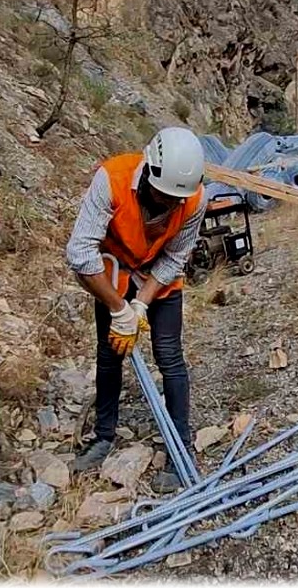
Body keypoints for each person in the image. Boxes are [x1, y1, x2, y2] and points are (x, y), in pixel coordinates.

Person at [65, 126, 207, 492]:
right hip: (112, 274)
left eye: (174, 201)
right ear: (148, 172)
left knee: (170, 358)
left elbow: (176, 256)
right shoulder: (111, 179)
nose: (168, 206)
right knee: (110, 353)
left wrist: (141, 304)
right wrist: (118, 309)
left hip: (159, 278)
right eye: (162, 197)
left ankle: (182, 450)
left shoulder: (193, 199)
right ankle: (103, 436)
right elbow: (79, 253)